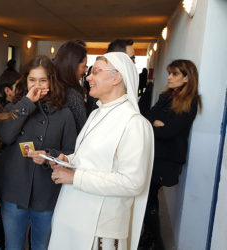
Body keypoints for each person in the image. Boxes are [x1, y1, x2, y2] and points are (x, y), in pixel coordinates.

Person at [48, 52, 154, 250]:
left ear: (117, 77)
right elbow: (92, 158)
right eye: (89, 72)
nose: (88, 77)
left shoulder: (134, 123)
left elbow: (132, 183)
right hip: (73, 213)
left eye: (95, 71)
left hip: (100, 227)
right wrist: (68, 160)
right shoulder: (97, 112)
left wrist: (75, 177)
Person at [0, 55, 77, 250]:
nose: (37, 86)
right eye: (32, 80)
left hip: (46, 192)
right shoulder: (14, 107)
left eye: (42, 80)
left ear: (51, 81)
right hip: (14, 190)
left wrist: (48, 156)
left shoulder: (64, 114)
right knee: (12, 246)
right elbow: (5, 136)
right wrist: (26, 103)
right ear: (26, 81)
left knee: (41, 246)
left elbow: (71, 153)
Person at [139, 60, 202, 250]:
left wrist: (159, 126)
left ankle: (155, 241)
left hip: (167, 160)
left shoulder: (190, 101)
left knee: (147, 196)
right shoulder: (166, 96)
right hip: (155, 154)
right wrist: (157, 124)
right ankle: (150, 238)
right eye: (169, 73)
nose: (169, 77)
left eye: (174, 74)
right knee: (147, 197)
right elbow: (148, 119)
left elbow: (171, 131)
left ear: (186, 77)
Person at [0, 70, 21, 250]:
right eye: (19, 86)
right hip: (1, 169)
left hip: (9, 169)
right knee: (0, 210)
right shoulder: (0, 111)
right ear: (8, 91)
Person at [53, 40, 88, 133]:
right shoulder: (73, 96)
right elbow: (82, 131)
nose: (85, 70)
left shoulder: (52, 87)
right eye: (84, 66)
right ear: (73, 66)